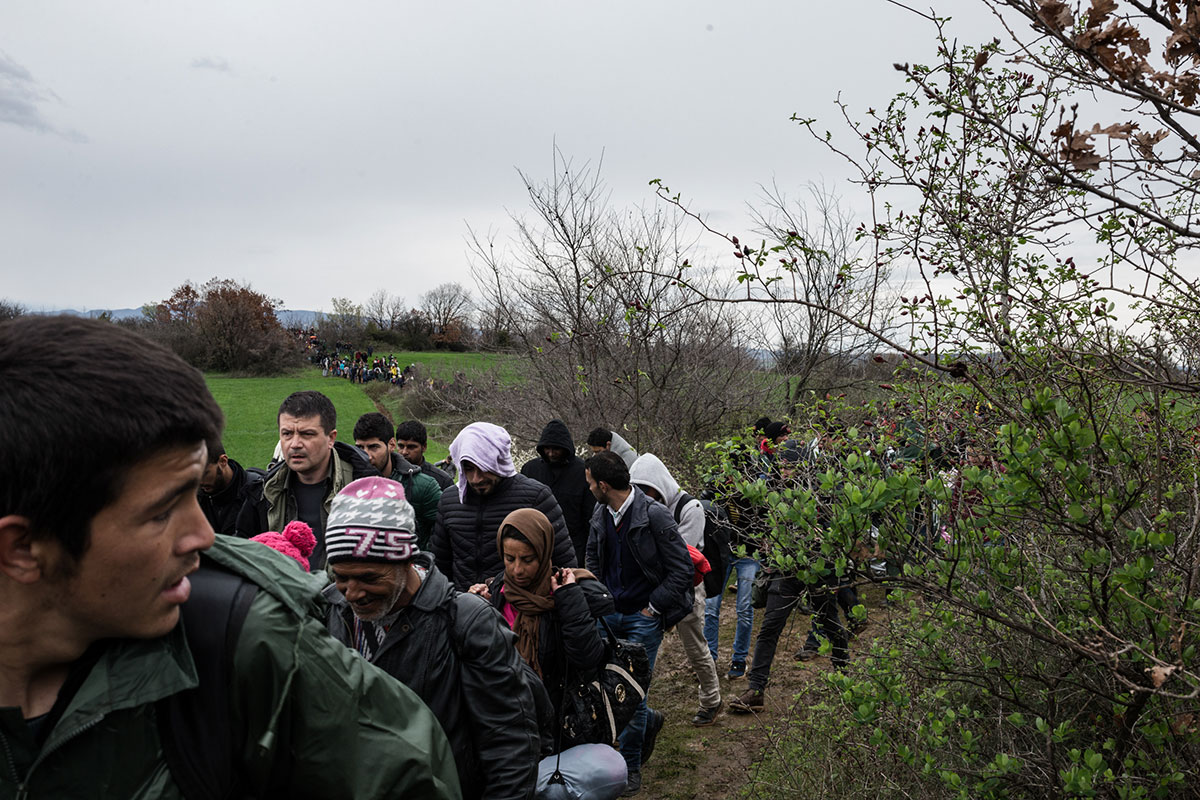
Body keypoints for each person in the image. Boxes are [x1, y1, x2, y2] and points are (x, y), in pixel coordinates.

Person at [0, 316, 459, 799]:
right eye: (160, 513)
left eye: (192, 497)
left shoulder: (242, 637)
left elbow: (410, 774)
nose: (204, 535)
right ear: (24, 550)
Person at [324, 477, 541, 800]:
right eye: (341, 577)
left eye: (368, 577)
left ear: (405, 560)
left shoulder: (465, 623)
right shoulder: (330, 611)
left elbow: (510, 746)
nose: (352, 593)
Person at [470, 508, 628, 800]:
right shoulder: (494, 595)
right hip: (507, 727)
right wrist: (472, 611)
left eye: (527, 560)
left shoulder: (564, 592)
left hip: (561, 728)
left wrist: (570, 602)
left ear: (543, 554)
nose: (517, 570)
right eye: (509, 558)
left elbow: (588, 659)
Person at [584, 451, 693, 796]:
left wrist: (652, 607)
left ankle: (630, 768)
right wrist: (598, 594)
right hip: (609, 616)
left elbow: (682, 571)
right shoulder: (601, 513)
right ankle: (615, 756)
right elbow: (592, 554)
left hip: (641, 618)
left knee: (632, 694)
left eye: (589, 482)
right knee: (602, 688)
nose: (588, 488)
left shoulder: (655, 515)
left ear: (603, 485)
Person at [628, 453, 722, 727]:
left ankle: (712, 699)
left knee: (695, 647)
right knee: (642, 651)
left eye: (649, 491)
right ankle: (635, 709)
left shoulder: (690, 508)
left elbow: (679, 558)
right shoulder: (642, 508)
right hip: (654, 588)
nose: (646, 497)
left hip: (687, 589)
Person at [236, 390, 377, 569]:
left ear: (331, 438)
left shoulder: (368, 490)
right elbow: (242, 555)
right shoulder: (263, 494)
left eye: (307, 434)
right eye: (287, 434)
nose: (295, 444)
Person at [431, 422, 577, 592]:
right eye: (469, 469)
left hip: (520, 611)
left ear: (499, 461)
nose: (476, 478)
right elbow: (441, 566)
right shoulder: (450, 500)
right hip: (465, 609)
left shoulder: (536, 498)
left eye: (483, 468)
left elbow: (564, 566)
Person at [353, 412, 442, 548]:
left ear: (391, 445)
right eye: (360, 447)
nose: (366, 456)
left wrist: (423, 561)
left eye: (373, 447)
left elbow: (446, 530)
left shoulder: (424, 486)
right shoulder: (348, 483)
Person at [520, 419, 596, 560]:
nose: (551, 453)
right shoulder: (531, 469)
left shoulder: (581, 472)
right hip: (536, 545)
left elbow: (589, 515)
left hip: (573, 545)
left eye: (556, 449)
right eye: (547, 449)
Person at [198, 438, 264, 535]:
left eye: (205, 473)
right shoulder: (194, 496)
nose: (199, 482)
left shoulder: (257, 492)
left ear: (223, 461)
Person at [396, 419, 455, 490]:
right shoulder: (388, 475)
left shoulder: (442, 480)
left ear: (424, 447)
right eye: (401, 446)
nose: (404, 452)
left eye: (411, 447)